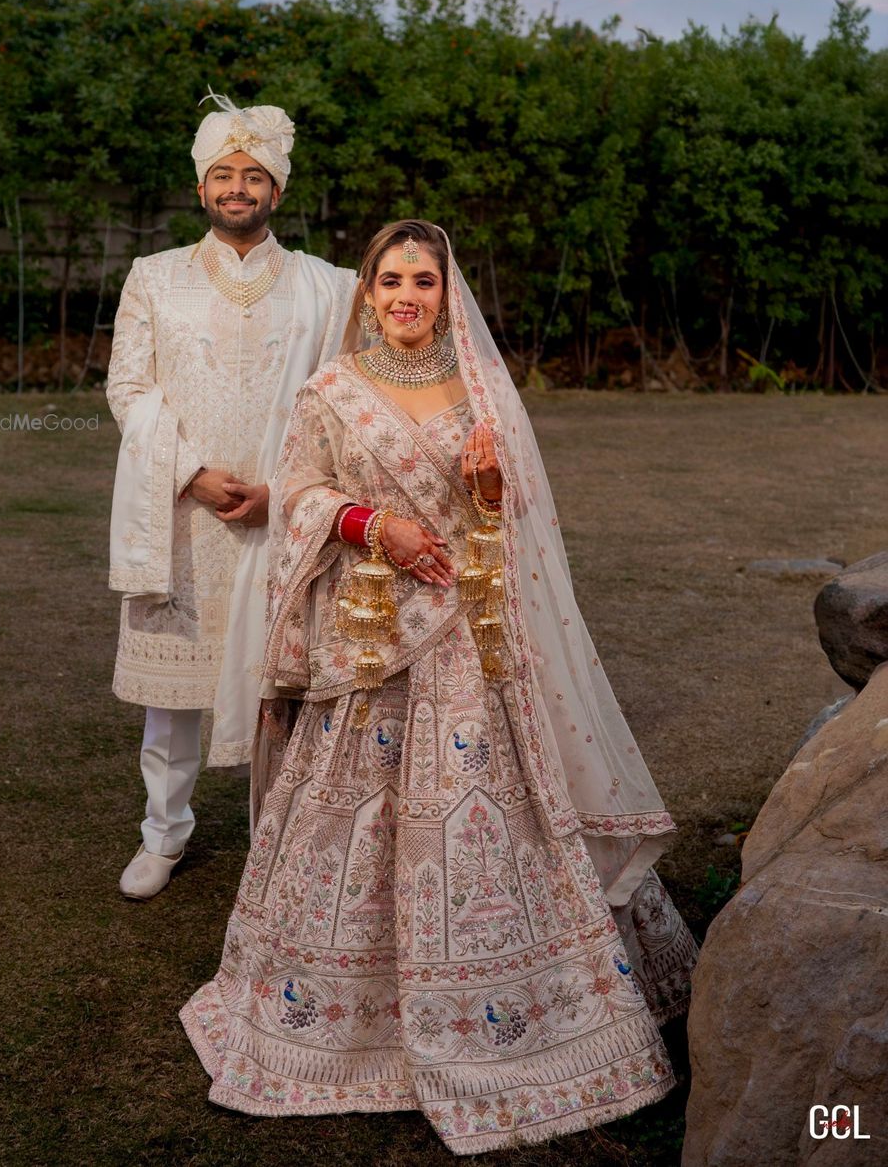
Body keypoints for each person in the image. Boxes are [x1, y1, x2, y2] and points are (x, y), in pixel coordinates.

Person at [180, 219, 698, 1154]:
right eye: (391, 280)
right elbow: (298, 495)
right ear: (368, 293)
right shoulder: (333, 389)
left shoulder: (482, 388)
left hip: (468, 634)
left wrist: (491, 486)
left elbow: (510, 519)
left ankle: (536, 1009)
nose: (407, 296)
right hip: (372, 633)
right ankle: (334, 1019)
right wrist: (372, 525)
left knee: (487, 809)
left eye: (423, 280)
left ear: (446, 293)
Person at [106, 93, 356, 900]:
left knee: (288, 691)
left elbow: (344, 402)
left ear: (278, 190)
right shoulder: (155, 277)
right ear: (202, 186)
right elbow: (128, 388)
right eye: (224, 174)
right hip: (183, 513)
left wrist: (282, 492)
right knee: (170, 698)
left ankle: (282, 838)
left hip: (286, 516)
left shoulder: (329, 288)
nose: (238, 188)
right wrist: (194, 474)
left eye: (254, 175)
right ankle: (164, 834)